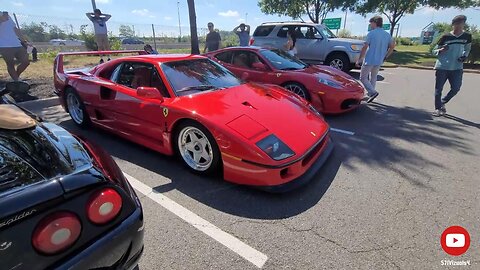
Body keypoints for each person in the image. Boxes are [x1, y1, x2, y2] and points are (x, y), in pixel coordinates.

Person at [431, 15, 472, 117]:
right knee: (438, 89)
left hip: (457, 67)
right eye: (457, 24)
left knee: (456, 88)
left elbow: (467, 49)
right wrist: (440, 50)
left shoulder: (466, 36)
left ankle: (443, 102)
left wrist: (464, 56)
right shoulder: (445, 37)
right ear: (453, 24)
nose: (459, 26)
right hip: (443, 66)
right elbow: (433, 51)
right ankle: (438, 108)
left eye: (461, 23)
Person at [356, 16, 395, 103]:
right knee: (373, 77)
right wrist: (386, 56)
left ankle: (372, 92)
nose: (370, 25)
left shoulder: (371, 33)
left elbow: (365, 47)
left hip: (370, 59)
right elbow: (392, 46)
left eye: (371, 23)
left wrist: (360, 59)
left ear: (375, 23)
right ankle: (370, 94)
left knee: (363, 78)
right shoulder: (387, 35)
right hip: (379, 60)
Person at [0, 11, 30, 81]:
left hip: (17, 43)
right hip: (4, 46)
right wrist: (1, 20)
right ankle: (16, 81)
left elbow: (15, 29)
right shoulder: (3, 17)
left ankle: (15, 78)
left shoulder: (7, 15)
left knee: (26, 62)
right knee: (10, 64)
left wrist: (24, 41)